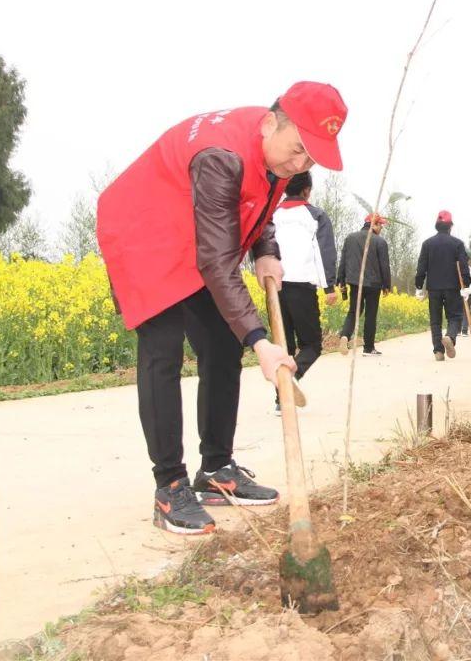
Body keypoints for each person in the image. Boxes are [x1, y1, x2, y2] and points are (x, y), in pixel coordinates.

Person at [96, 81, 348, 534]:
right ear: (271, 123)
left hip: (194, 233)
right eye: (296, 151)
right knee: (163, 351)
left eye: (310, 158)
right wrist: (260, 341)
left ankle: (215, 471)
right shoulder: (221, 157)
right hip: (145, 235)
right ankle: (169, 488)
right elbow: (216, 260)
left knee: (219, 345)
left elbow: (258, 201)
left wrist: (266, 247)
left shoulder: (274, 146)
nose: (300, 164)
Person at [271, 170, 338, 413]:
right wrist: (329, 286)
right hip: (301, 287)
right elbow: (324, 251)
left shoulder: (273, 214)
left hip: (275, 287)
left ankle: (281, 401)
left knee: (284, 346)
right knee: (311, 344)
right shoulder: (315, 215)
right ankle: (291, 380)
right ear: (307, 190)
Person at [415, 210, 471, 361]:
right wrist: (466, 285)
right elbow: (464, 266)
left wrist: (418, 285)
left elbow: (421, 267)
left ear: (437, 225)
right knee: (455, 316)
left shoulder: (427, 244)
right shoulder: (457, 244)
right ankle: (450, 337)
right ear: (450, 226)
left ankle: (438, 351)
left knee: (435, 320)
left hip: (433, 287)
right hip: (452, 287)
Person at [337, 213, 391, 356]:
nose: (381, 228)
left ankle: (345, 336)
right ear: (374, 225)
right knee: (370, 315)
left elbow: (343, 260)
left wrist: (341, 280)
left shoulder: (350, 238)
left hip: (355, 282)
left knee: (354, 311)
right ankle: (368, 348)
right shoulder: (380, 242)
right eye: (380, 225)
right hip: (374, 284)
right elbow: (384, 266)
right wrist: (387, 285)